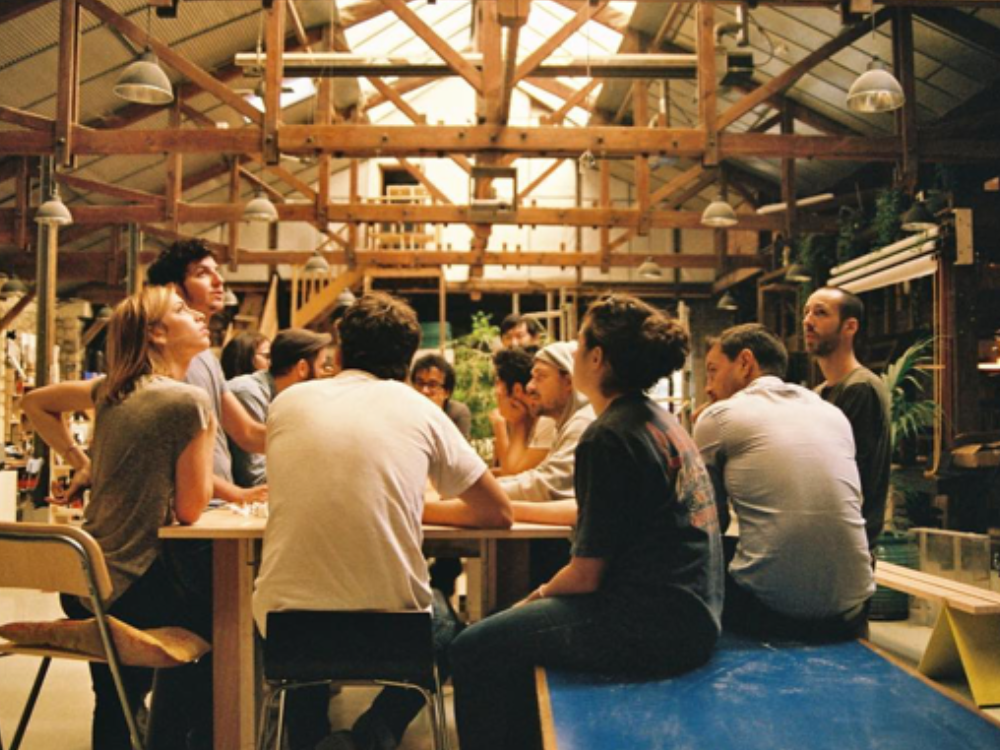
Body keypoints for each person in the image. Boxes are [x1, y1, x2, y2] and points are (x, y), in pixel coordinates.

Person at [449, 294, 723, 750]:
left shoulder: (608, 435)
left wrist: (527, 602)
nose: (573, 354)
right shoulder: (658, 418)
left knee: (472, 647)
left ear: (597, 358)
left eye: (577, 346)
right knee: (507, 631)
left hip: (653, 625)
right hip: (695, 612)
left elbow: (585, 575)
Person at [254, 292, 512, 750]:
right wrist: (414, 505)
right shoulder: (418, 407)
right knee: (450, 629)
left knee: (302, 613)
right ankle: (376, 732)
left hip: (285, 629)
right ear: (407, 360)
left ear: (340, 350)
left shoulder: (287, 403)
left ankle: (310, 737)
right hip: (395, 634)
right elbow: (497, 512)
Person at [22, 286, 216, 750]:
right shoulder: (188, 402)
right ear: (157, 333)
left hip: (86, 580)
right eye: (181, 310)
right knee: (229, 627)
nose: (197, 314)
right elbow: (192, 509)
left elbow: (34, 403)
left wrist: (80, 459)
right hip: (137, 584)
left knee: (113, 697)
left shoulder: (109, 390)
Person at [694, 323, 874, 642]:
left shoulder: (719, 416)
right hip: (853, 608)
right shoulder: (830, 412)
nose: (708, 387)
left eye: (712, 371)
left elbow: (709, 523)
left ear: (745, 363)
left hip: (772, 614)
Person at [147, 239, 267, 506]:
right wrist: (238, 494)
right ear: (174, 290)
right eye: (202, 274)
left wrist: (307, 436)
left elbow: (246, 432)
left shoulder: (205, 356)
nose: (218, 281)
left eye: (216, 271)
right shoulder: (168, 356)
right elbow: (170, 455)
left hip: (214, 507)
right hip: (188, 514)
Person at [804, 287, 892, 550]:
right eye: (806, 312)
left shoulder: (860, 389)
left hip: (845, 546)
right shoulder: (818, 394)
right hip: (825, 541)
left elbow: (841, 477)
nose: (808, 320)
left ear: (849, 326)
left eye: (820, 313)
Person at [497, 341, 595, 525]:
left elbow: (546, 485)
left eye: (540, 377)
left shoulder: (583, 422)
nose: (530, 387)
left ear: (568, 381)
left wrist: (482, 492)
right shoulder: (566, 422)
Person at [228, 328, 333, 487]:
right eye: (321, 366)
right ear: (302, 368)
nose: (325, 374)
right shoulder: (247, 392)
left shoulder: (285, 397)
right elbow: (253, 475)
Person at [488, 346, 554, 476]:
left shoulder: (547, 419)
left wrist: (502, 426)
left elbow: (513, 474)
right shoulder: (527, 417)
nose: (496, 392)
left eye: (498, 384)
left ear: (517, 390)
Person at [410, 352, 472, 440]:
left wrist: (437, 414)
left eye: (432, 385)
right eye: (420, 383)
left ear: (447, 392)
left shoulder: (457, 413)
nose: (424, 390)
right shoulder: (407, 411)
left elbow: (458, 452)